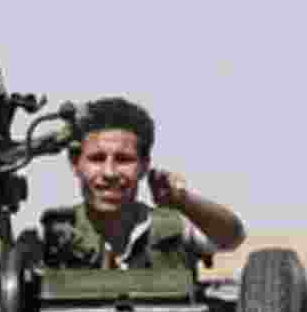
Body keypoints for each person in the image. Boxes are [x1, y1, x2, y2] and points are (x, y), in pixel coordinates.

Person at [41, 96, 245, 269]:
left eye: (124, 159)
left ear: (144, 165)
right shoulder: (52, 237)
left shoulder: (171, 228)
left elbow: (232, 237)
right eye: (97, 159)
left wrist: (183, 201)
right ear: (75, 163)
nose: (110, 172)